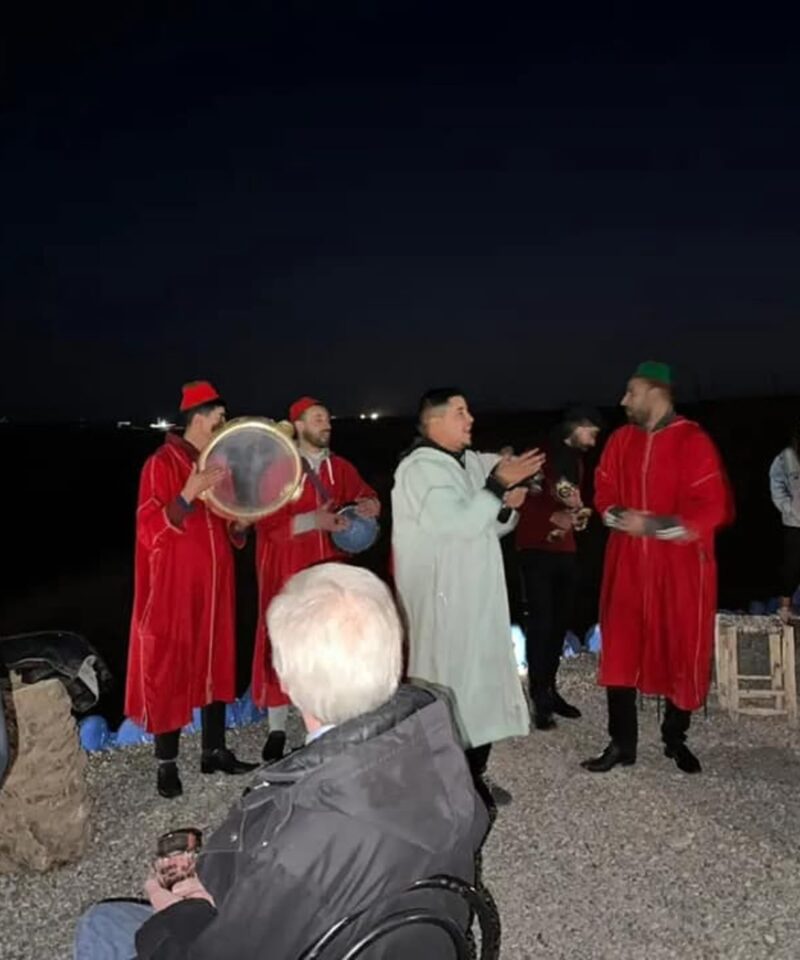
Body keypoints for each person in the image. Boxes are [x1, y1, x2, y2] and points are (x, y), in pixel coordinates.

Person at [74, 564, 489, 960]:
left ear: (286, 679)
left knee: (102, 922)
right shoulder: (438, 749)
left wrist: (174, 908)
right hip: (418, 944)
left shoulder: (304, 837)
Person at [391, 388, 546, 807]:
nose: (470, 418)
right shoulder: (420, 469)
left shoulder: (463, 463)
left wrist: (508, 501)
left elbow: (488, 527)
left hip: (476, 599)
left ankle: (472, 780)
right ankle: (443, 791)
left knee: (477, 689)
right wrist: (497, 485)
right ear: (433, 422)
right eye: (460, 412)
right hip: (444, 606)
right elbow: (454, 525)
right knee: (448, 692)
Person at [582, 362, 731, 775]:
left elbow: (712, 507)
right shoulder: (619, 440)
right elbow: (603, 492)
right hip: (628, 564)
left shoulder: (693, 441)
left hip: (679, 568)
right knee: (621, 647)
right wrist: (617, 515)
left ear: (655, 392)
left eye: (631, 392)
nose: (623, 400)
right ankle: (620, 744)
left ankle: (674, 739)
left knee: (680, 645)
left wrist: (653, 525)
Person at [125, 381, 256, 799]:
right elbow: (148, 530)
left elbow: (225, 527)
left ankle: (214, 750)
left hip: (216, 587)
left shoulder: (215, 464)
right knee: (171, 666)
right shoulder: (161, 464)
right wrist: (187, 493)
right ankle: (166, 764)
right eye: (219, 420)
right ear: (199, 418)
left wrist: (240, 525)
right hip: (173, 590)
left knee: (216, 662)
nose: (224, 427)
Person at [252, 396, 380, 762]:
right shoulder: (278, 470)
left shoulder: (340, 467)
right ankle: (276, 728)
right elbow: (267, 523)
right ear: (300, 426)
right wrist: (314, 522)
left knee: (331, 640)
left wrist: (372, 505)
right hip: (286, 569)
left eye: (328, 418)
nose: (327, 424)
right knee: (281, 642)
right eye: (318, 419)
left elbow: (363, 493)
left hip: (330, 571)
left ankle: (331, 717)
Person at [515, 406, 603, 729]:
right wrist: (550, 517)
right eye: (591, 433)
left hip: (564, 549)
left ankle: (550, 689)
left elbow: (569, 501)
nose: (593, 442)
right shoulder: (540, 457)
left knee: (559, 622)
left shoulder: (574, 462)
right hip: (536, 548)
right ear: (575, 426)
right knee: (541, 623)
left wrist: (578, 517)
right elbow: (522, 498)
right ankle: (538, 697)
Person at [768, 423, 800, 623]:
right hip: (795, 523)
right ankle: (785, 608)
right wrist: (790, 510)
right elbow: (777, 487)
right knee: (792, 566)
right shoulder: (785, 459)